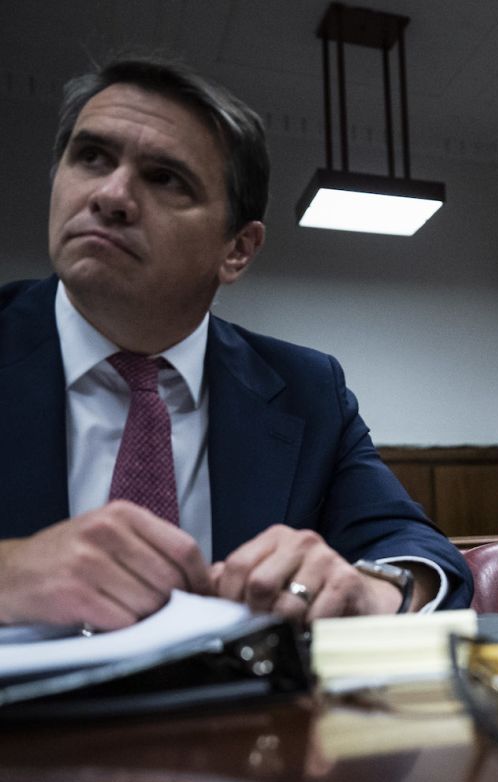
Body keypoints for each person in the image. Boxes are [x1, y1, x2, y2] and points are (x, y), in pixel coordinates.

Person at [0, 57, 471, 630]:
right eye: (91, 157)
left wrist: (370, 589)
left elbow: (413, 549)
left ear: (237, 251)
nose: (111, 196)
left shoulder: (308, 390)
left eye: (165, 177)